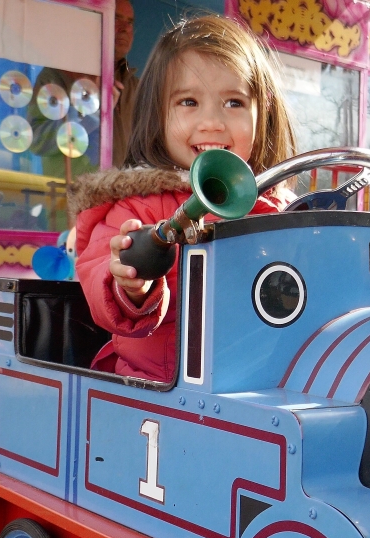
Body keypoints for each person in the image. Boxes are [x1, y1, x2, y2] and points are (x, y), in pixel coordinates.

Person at [71, 14, 297, 382]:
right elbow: (100, 277)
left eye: (234, 103)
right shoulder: (136, 204)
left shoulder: (282, 209)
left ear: (265, 113)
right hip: (158, 394)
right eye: (188, 102)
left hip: (262, 388)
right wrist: (132, 285)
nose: (212, 122)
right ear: (156, 115)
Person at [113, 0, 139, 168]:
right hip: (75, 190)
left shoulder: (139, 89)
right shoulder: (65, 73)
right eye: (116, 18)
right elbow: (38, 143)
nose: (125, 28)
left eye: (129, 22)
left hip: (124, 191)